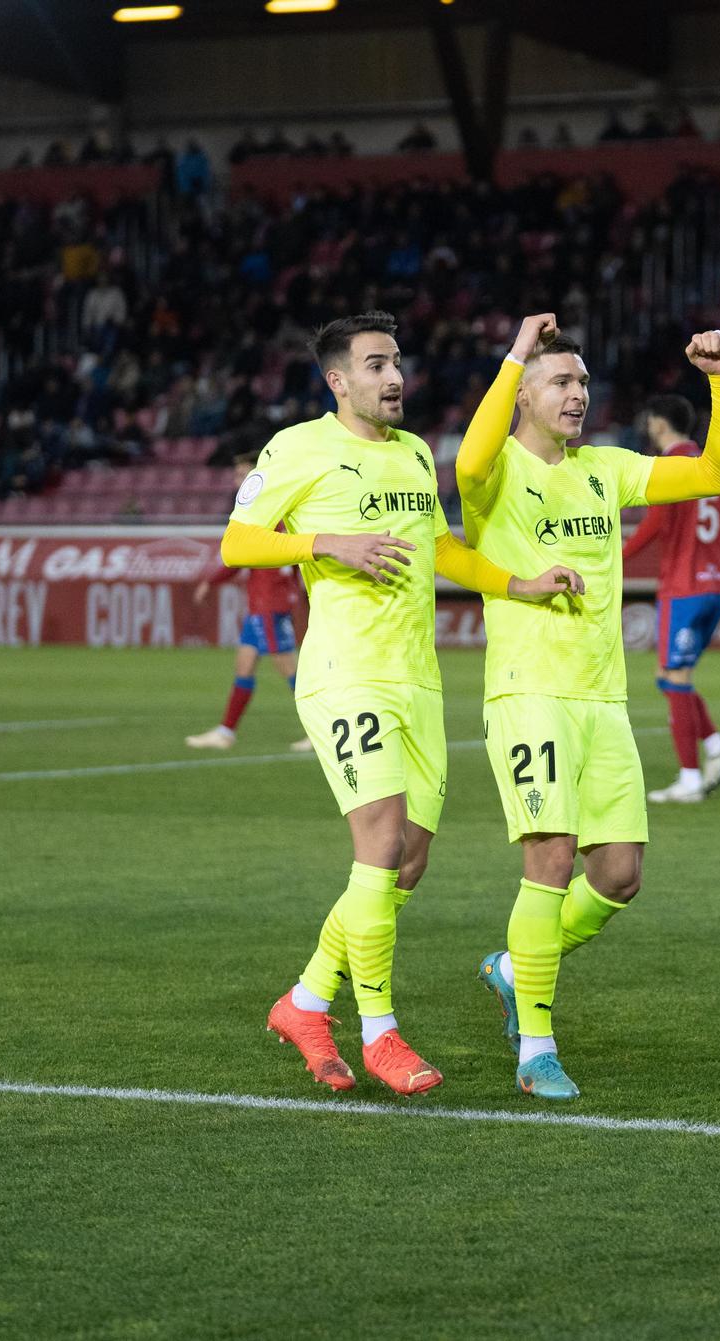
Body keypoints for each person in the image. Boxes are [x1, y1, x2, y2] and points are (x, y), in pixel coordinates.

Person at [220, 312, 582, 1097]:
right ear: (337, 380)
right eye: (376, 365)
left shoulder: (417, 453)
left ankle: (306, 1000)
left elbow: (440, 547)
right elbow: (237, 541)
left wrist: (519, 583)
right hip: (345, 674)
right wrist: (325, 544)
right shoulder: (297, 448)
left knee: (405, 864)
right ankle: (379, 1029)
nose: (394, 378)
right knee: (379, 843)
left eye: (397, 363)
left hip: (417, 682)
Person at [457, 315, 720, 1101]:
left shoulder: (607, 468)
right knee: (549, 859)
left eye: (583, 381)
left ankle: (516, 968)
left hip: (603, 698)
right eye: (562, 381)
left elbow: (719, 471)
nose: (579, 394)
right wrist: (517, 352)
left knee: (619, 874)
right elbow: (470, 457)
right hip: (529, 693)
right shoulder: (494, 472)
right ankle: (537, 1048)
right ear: (523, 393)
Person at [621, 394, 720, 804]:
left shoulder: (670, 467)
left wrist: (613, 560)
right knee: (671, 678)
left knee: (674, 680)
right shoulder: (713, 464)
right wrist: (716, 563)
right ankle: (715, 749)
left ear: (659, 424)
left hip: (683, 589)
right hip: (714, 588)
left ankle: (691, 780)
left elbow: (656, 522)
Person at [188, 453, 309, 753]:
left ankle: (323, 732)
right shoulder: (274, 514)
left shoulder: (264, 514)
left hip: (271, 604)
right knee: (244, 666)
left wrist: (210, 582)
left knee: (291, 672)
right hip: (264, 603)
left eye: (242, 474)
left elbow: (239, 557)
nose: (236, 481)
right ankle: (226, 731)